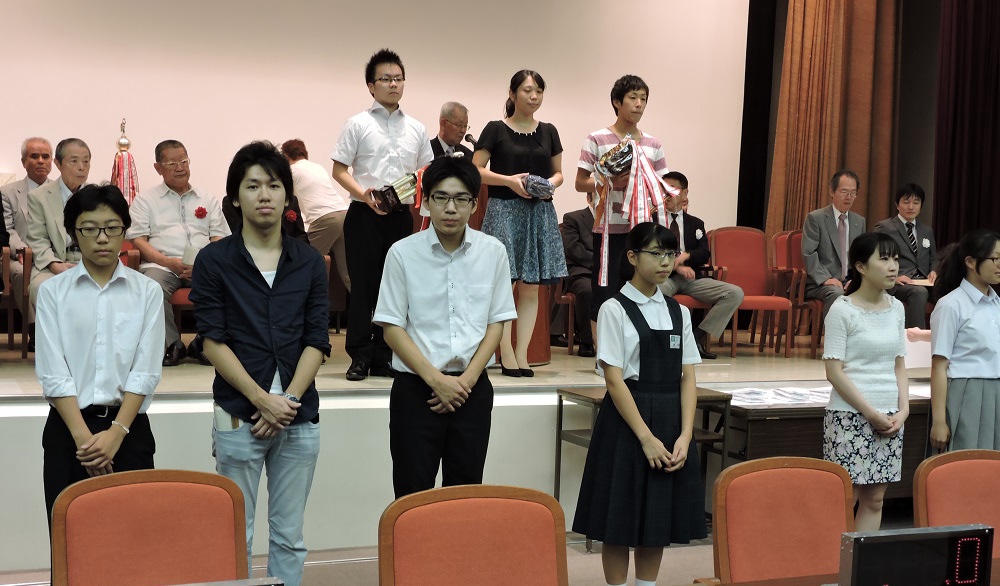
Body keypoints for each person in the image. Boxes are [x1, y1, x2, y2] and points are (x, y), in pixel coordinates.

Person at [190, 142, 330, 586]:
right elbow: (212, 341)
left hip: (298, 415)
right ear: (235, 197)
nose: (264, 195)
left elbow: (317, 340)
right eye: (252, 186)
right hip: (238, 412)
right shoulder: (214, 261)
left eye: (273, 185)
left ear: (288, 196)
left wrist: (286, 401)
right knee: (235, 533)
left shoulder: (309, 262)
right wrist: (261, 399)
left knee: (289, 536)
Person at [373, 156, 516, 498]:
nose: (451, 208)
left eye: (461, 199)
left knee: (464, 498)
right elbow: (392, 327)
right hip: (416, 391)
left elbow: (496, 323)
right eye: (441, 197)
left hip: (472, 391)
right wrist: (437, 381)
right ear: (426, 201)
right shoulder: (402, 253)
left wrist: (465, 382)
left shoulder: (493, 252)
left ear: (474, 203)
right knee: (412, 497)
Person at [574, 222, 705, 586]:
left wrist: (685, 435)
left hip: (670, 418)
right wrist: (646, 438)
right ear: (632, 257)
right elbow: (614, 380)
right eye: (656, 253)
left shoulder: (678, 311)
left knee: (656, 521)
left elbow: (688, 377)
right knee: (617, 522)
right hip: (627, 421)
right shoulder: (614, 308)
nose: (665, 262)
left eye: (670, 254)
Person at [36, 184, 163, 527]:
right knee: (70, 541)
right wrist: (85, 442)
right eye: (90, 229)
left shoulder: (148, 291)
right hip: (69, 432)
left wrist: (116, 433)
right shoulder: (52, 293)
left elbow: (145, 371)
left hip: (129, 430)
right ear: (73, 233)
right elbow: (53, 373)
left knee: (133, 539)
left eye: (111, 227)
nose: (102, 238)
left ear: (125, 230)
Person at [332, 48, 434, 381]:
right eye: (386, 79)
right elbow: (339, 169)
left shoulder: (416, 128)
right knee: (362, 287)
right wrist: (363, 193)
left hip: (400, 216)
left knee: (394, 287)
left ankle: (385, 355)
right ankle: (359, 356)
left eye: (398, 79)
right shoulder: (357, 123)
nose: (393, 84)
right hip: (363, 213)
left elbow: (426, 171)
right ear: (371, 86)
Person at [474, 69, 567, 377]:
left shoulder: (549, 131)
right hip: (504, 210)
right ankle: (505, 353)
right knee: (505, 285)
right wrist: (509, 181)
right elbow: (476, 170)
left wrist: (549, 184)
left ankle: (522, 353)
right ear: (512, 94)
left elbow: (559, 173)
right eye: (527, 90)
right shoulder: (496, 129)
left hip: (539, 212)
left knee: (531, 288)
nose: (534, 96)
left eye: (538, 91)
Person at [822, 232, 908, 532]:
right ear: (860, 267)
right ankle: (831, 559)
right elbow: (834, 372)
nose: (893, 266)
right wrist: (870, 413)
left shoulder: (897, 308)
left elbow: (899, 365)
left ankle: (859, 561)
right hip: (849, 415)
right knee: (846, 498)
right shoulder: (842, 309)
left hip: (891, 417)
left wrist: (904, 410)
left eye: (895, 258)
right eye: (883, 259)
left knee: (876, 500)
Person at [576, 75, 670, 344]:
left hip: (643, 233)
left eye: (643, 99)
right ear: (617, 102)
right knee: (605, 294)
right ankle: (603, 356)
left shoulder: (653, 144)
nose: (639, 104)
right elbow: (580, 183)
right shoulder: (597, 139)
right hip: (608, 231)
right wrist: (607, 182)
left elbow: (662, 184)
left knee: (642, 292)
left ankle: (639, 350)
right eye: (633, 98)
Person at [127, 140, 229, 367]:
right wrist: (168, 262)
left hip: (203, 265)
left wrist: (203, 264)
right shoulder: (145, 200)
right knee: (152, 286)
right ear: (158, 168)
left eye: (183, 161)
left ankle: (204, 342)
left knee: (227, 280)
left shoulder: (207, 199)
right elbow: (139, 241)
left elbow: (219, 238)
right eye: (172, 163)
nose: (180, 167)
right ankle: (172, 344)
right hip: (161, 265)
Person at [928, 230, 1000, 453]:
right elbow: (939, 366)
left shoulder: (996, 303)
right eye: (995, 258)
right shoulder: (951, 305)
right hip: (967, 392)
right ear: (970, 262)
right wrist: (939, 421)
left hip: (996, 390)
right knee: (965, 461)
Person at [659, 171, 743, 360]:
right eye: (663, 189)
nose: (666, 194)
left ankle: (696, 338)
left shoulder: (695, 223)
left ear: (684, 193)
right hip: (664, 277)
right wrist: (676, 265)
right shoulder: (654, 220)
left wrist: (686, 256)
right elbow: (652, 252)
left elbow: (704, 253)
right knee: (654, 292)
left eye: (672, 189)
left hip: (691, 278)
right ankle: (666, 342)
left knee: (734, 293)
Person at [25, 138, 91, 350]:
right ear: (58, 164)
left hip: (89, 261)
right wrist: (56, 265)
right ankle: (54, 348)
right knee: (42, 287)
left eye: (86, 161)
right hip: (52, 263)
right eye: (74, 161)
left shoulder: (95, 196)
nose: (81, 167)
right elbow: (37, 239)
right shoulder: (39, 197)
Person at [281, 138, 351, 291]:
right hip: (344, 214)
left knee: (302, 262)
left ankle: (307, 301)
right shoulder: (317, 167)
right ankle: (369, 306)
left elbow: (286, 201)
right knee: (348, 273)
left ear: (285, 156)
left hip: (325, 218)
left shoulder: (292, 171)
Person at [1, 137, 53, 337]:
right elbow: (7, 229)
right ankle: (36, 330)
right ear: (23, 162)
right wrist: (23, 250)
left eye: (45, 156)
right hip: (19, 257)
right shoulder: (7, 192)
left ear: (52, 162)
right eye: (34, 156)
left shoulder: (60, 191)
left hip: (52, 255)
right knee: (23, 273)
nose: (40, 161)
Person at [802, 169, 867, 318]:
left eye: (853, 193)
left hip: (849, 280)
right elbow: (809, 253)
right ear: (832, 191)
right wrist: (826, 279)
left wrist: (855, 280)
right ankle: (833, 333)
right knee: (837, 293)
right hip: (820, 282)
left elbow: (861, 257)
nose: (849, 197)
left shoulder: (859, 221)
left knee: (875, 293)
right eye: (844, 192)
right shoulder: (816, 218)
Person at [873, 183, 937, 328]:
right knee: (919, 292)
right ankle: (914, 338)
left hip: (924, 282)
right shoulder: (885, 227)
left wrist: (934, 271)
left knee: (951, 291)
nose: (911, 207)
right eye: (906, 202)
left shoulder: (926, 230)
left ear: (921, 205)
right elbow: (875, 258)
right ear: (897, 204)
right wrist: (893, 277)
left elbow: (934, 258)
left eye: (916, 202)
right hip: (897, 282)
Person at [555, 193, 596, 357]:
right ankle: (587, 341)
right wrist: (599, 263)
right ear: (589, 198)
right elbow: (573, 249)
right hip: (582, 271)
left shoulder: (616, 220)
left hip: (609, 272)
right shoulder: (573, 218)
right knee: (587, 291)